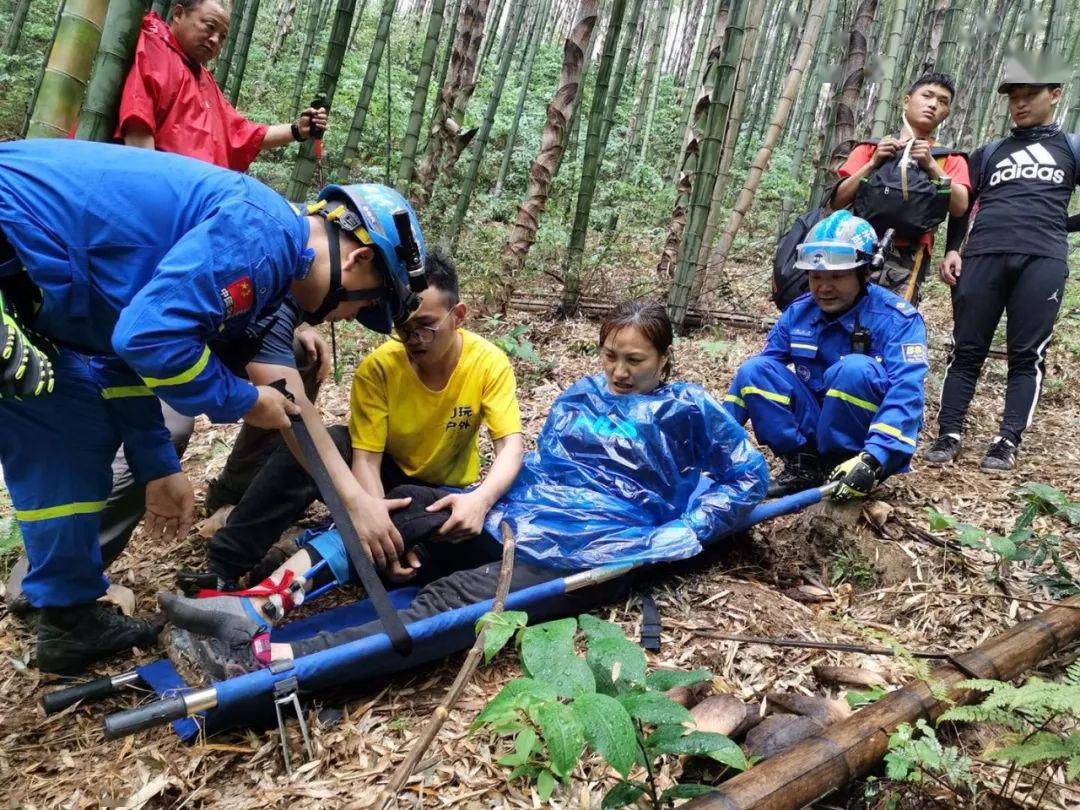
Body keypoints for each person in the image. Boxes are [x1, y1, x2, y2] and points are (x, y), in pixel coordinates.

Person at [157, 301, 769, 681]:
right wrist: (480, 500)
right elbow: (539, 467)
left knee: (446, 601)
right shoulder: (580, 398)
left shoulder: (688, 410)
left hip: (590, 552)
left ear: (664, 356)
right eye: (609, 354)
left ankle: (271, 661)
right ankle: (259, 606)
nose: (618, 371)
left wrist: (681, 530)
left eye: (634, 359)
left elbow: (747, 478)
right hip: (523, 518)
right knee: (405, 511)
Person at [0, 138, 427, 674]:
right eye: (365, 302)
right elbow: (149, 339)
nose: (347, 316)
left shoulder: (270, 280)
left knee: (72, 436)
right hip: (15, 237)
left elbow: (121, 357)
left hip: (56, 316)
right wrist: (245, 400)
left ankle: (66, 620)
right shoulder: (265, 232)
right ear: (359, 258)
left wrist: (159, 467)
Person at [178, 251, 527, 591]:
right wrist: (378, 519)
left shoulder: (488, 363)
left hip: (441, 493)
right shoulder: (380, 368)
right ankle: (226, 563)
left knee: (428, 554)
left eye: (426, 327)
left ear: (458, 315)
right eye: (403, 328)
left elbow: (510, 445)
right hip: (382, 480)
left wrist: (479, 500)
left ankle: (302, 553)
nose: (413, 340)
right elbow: (367, 458)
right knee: (319, 442)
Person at [924, 56, 1078, 472]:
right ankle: (948, 433)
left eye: (1030, 95)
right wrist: (953, 249)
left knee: (1026, 354)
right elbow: (962, 204)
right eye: (1015, 97)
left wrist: (1061, 225)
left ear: (1055, 94)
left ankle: (1006, 440)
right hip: (982, 256)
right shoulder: (989, 152)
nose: (1021, 104)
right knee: (966, 349)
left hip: (1042, 259)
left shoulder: (1071, 147)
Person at [724, 211, 929, 499]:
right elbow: (758, 378)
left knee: (855, 370)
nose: (823, 287)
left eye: (837, 276)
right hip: (814, 421)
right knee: (755, 369)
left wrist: (875, 458)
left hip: (862, 445)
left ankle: (846, 466)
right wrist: (713, 440)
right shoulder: (800, 312)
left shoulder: (898, 320)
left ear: (864, 271)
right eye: (815, 276)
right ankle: (803, 466)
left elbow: (906, 393)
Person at [117, 0, 327, 172]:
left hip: (201, 193)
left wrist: (298, 130)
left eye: (223, 36)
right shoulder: (155, 48)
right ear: (179, 14)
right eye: (209, 27)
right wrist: (154, 193)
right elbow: (138, 127)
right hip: (167, 190)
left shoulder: (204, 80)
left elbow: (243, 134)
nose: (215, 40)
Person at [830, 73, 971, 305]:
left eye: (943, 102)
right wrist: (873, 163)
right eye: (927, 96)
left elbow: (960, 206)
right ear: (906, 101)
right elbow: (837, 201)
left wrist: (931, 166)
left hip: (910, 254)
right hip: (854, 245)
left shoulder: (950, 159)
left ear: (946, 114)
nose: (933, 104)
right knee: (842, 311)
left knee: (893, 320)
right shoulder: (870, 148)